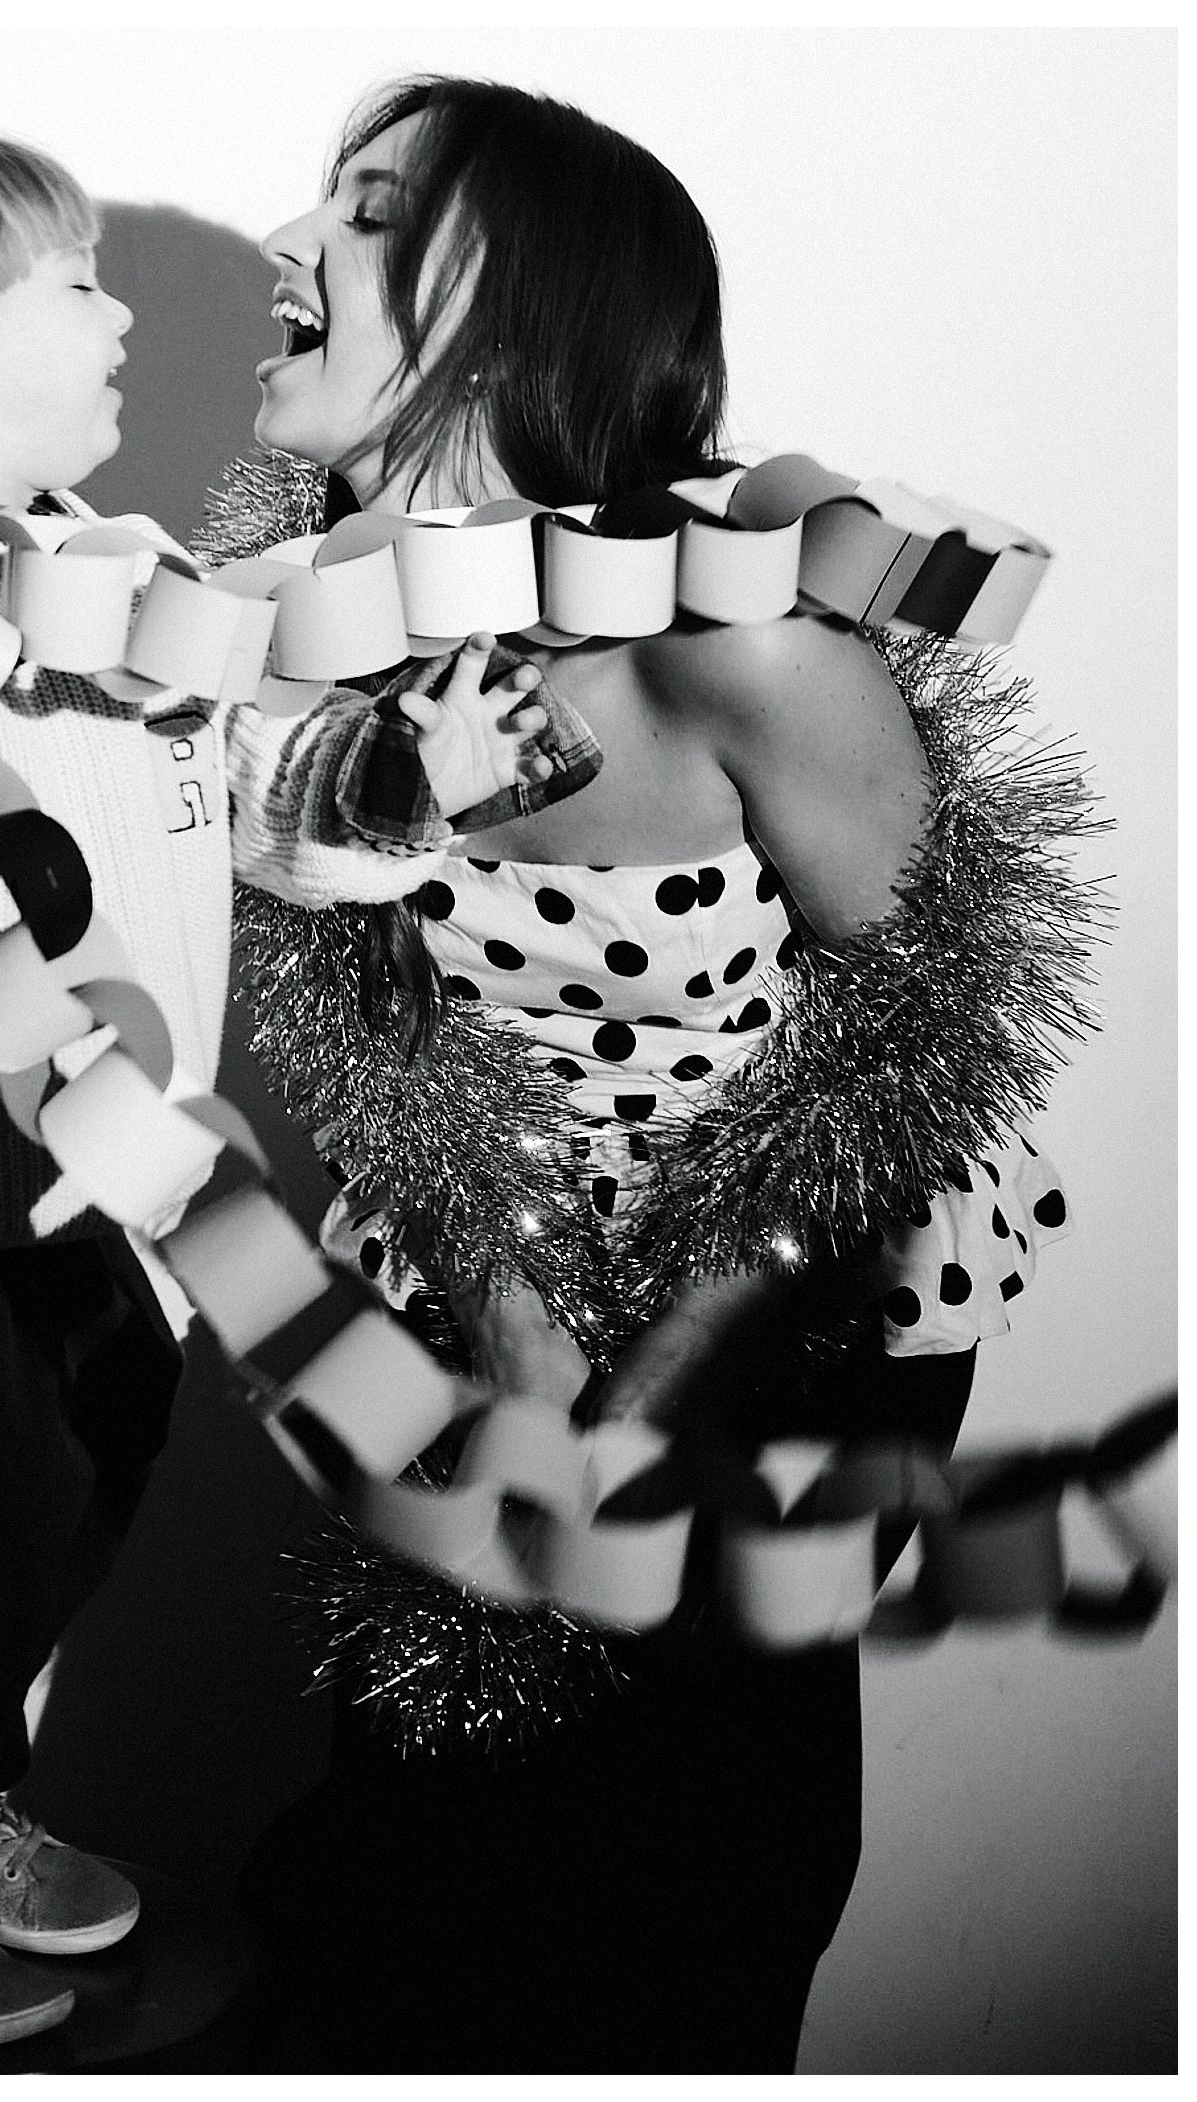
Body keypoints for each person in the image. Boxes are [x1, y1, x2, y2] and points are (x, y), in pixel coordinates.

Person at [0, 129, 586, 2052]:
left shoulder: (123, 573)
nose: (125, 313)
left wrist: (405, 783)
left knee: (43, 1531)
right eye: (78, 283)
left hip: (103, 1189)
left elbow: (253, 808)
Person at [222, 77, 1088, 2073]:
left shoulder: (743, 652)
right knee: (417, 1828)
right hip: (488, 1234)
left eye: (368, 212)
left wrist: (661, 1363)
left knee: (672, 1856)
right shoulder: (315, 640)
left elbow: (920, 1030)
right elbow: (377, 1018)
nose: (288, 245)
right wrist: (519, 1325)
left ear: (533, 310)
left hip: (794, 1269)